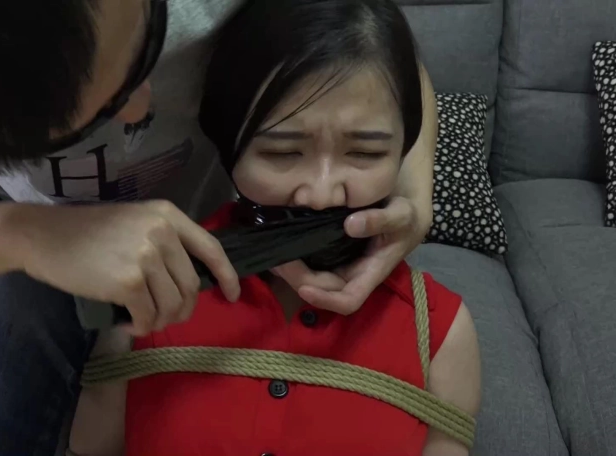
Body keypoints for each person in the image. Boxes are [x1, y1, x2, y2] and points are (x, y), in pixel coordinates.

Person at [0, 0, 439, 455]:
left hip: (179, 219)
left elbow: (376, 45)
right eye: (101, 106)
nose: (143, 108)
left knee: (6, 324)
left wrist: (415, 194)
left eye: (148, 43)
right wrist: (20, 235)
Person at [68, 0, 480, 455]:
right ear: (229, 148)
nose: (322, 194)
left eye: (365, 153)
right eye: (282, 153)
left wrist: (420, 204)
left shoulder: (439, 334)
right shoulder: (146, 303)